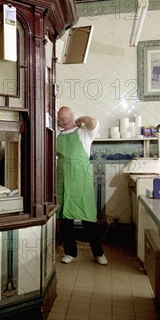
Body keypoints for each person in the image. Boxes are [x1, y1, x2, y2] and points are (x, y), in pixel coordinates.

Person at [56, 106, 108, 265]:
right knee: (65, 218)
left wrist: (82, 119)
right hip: (63, 179)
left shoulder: (83, 132)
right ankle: (70, 253)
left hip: (81, 180)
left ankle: (98, 253)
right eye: (60, 118)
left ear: (72, 116)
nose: (63, 121)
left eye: (65, 117)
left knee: (88, 218)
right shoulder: (57, 134)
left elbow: (93, 122)